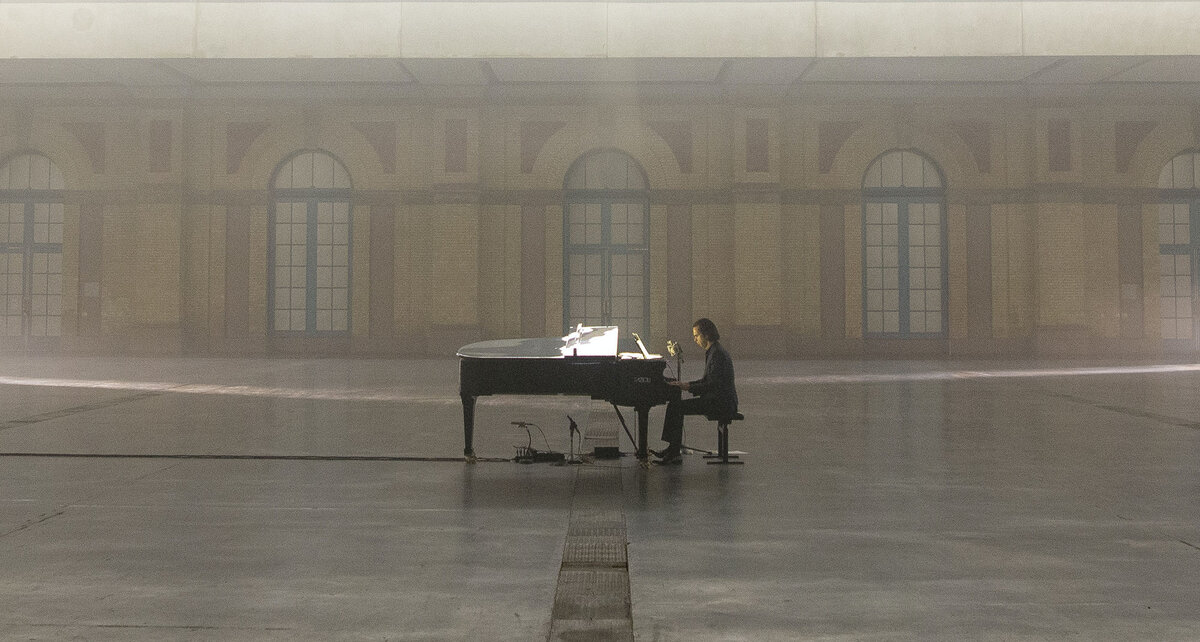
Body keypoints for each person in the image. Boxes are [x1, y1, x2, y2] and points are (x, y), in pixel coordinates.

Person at [654, 318, 737, 465]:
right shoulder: (714, 351)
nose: (695, 339)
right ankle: (673, 448)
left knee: (676, 407)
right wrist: (687, 384)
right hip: (718, 399)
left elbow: (713, 384)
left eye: (696, 335)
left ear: (706, 334)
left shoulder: (717, 354)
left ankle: (674, 451)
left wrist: (689, 387)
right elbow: (707, 380)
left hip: (721, 403)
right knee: (676, 406)